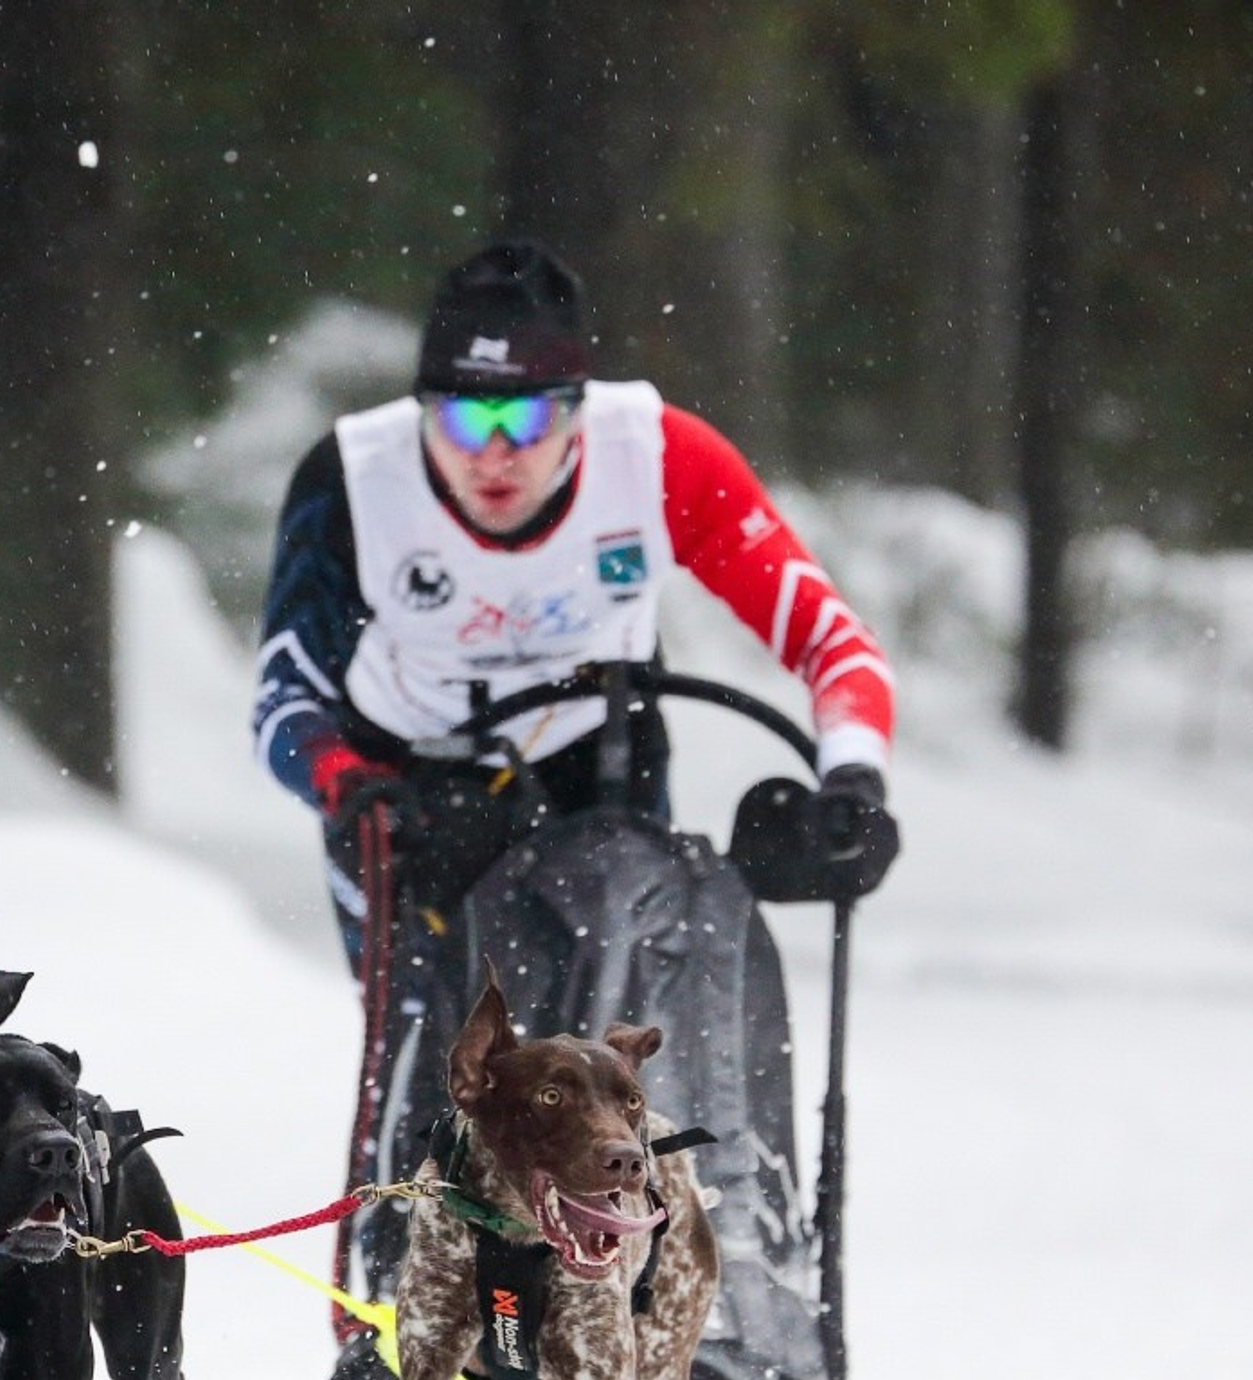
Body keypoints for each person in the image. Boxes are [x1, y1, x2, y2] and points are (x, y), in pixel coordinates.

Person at [251, 239, 898, 979]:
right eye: (464, 422)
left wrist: (853, 781)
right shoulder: (353, 478)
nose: (493, 457)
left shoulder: (663, 457)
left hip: (596, 763)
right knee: (440, 1058)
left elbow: (832, 642)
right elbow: (283, 701)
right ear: (421, 414)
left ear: (577, 414)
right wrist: (352, 785)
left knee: (613, 1049)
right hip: (405, 784)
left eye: (523, 422)